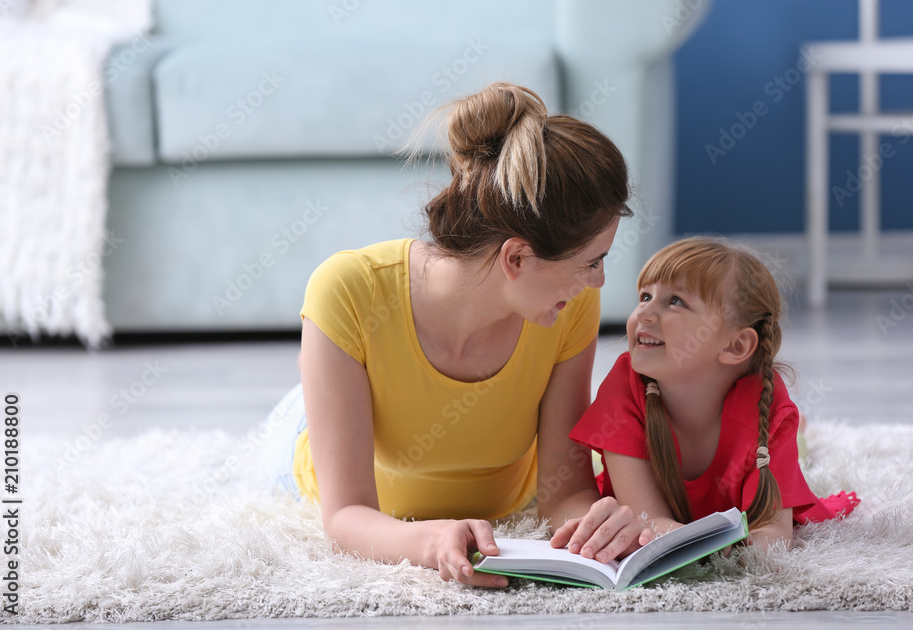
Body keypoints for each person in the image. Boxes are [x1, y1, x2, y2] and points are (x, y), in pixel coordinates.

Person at [260, 81, 658, 588]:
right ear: (516, 257)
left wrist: (593, 530)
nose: (599, 280)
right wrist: (428, 541)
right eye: (592, 262)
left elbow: (563, 491)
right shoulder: (348, 292)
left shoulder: (564, 306)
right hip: (305, 440)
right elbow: (345, 518)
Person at [569, 237, 860, 555]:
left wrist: (744, 555)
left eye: (675, 301)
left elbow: (774, 531)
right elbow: (648, 520)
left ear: (735, 346)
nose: (645, 314)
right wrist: (713, 547)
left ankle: (798, 431)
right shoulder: (624, 387)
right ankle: (799, 432)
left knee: (794, 444)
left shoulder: (767, 407)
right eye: (645, 296)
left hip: (758, 428)